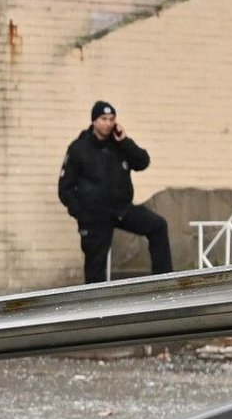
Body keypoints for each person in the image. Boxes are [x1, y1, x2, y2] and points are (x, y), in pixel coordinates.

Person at [57, 100, 169, 283]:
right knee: (95, 266)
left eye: (111, 119)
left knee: (158, 226)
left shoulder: (119, 144)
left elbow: (142, 162)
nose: (108, 123)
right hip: (94, 215)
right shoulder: (79, 148)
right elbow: (65, 188)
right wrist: (81, 214)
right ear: (94, 121)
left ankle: (164, 283)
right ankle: (95, 306)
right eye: (103, 119)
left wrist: (125, 141)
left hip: (121, 209)